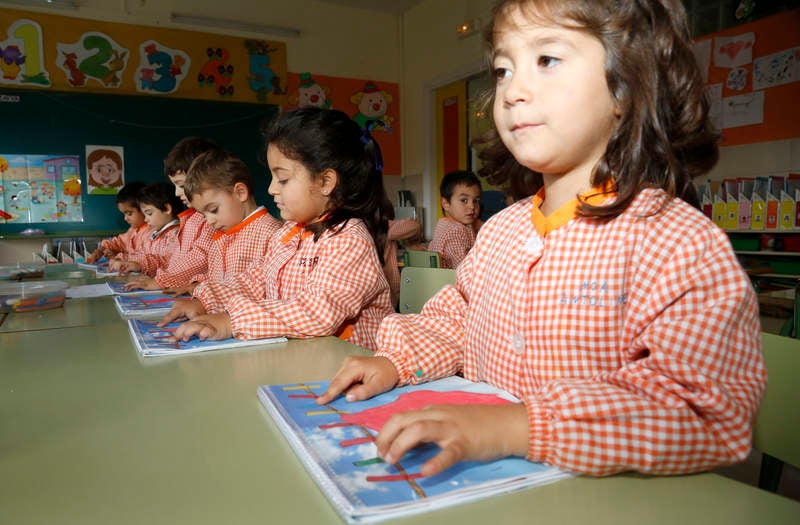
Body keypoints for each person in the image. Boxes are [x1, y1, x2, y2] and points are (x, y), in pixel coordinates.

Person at [317, 0, 765, 478]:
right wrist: (396, 360)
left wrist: (516, 426)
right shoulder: (501, 230)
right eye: (504, 70)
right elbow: (459, 319)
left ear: (627, 85)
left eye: (546, 60)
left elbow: (702, 413)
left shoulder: (678, 243)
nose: (511, 92)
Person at [159, 108, 394, 351]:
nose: (271, 189)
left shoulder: (348, 239)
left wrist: (232, 321)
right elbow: (256, 281)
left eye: (282, 179)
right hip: (301, 355)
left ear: (325, 182)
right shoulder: (289, 233)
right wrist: (205, 301)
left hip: (345, 364)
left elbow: (317, 313)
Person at [167, 149, 282, 296]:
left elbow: (264, 289)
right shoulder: (223, 235)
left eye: (213, 210)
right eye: (203, 214)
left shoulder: (272, 234)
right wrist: (198, 285)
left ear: (240, 192)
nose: (209, 221)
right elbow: (218, 277)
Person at [124, 137, 219, 291]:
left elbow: (199, 258)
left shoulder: (210, 220)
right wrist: (142, 264)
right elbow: (172, 258)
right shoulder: (190, 219)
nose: (177, 192)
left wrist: (162, 281)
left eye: (181, 185)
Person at [113, 182, 182, 276]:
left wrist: (140, 265)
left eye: (149, 213)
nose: (146, 219)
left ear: (166, 209)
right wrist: (122, 258)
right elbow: (141, 254)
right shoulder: (155, 234)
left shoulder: (176, 234)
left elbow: (168, 262)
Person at [427, 170, 482, 269]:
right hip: (453, 282)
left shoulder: (443, 224)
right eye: (464, 200)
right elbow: (464, 270)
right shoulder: (456, 231)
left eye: (476, 201)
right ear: (445, 204)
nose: (472, 206)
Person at [87, 181, 149, 262]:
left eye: (129, 213)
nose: (125, 218)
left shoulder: (152, 233)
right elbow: (118, 243)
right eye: (124, 214)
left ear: (145, 209)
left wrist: (119, 257)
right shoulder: (132, 231)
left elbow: (145, 259)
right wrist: (101, 250)